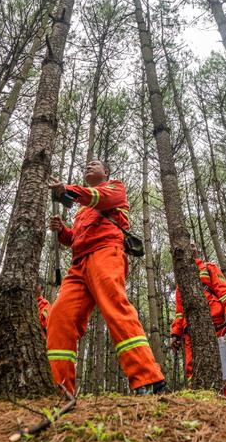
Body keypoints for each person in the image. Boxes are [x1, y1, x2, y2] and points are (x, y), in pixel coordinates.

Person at [47, 160, 166, 395]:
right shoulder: (82, 210)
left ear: (107, 172)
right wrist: (62, 231)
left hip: (106, 253)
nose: (88, 166)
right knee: (59, 317)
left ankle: (148, 380)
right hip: (78, 265)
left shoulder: (115, 188)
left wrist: (68, 190)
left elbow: (98, 198)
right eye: (86, 165)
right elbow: (75, 239)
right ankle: (59, 389)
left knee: (114, 306)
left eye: (95, 164)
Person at [170, 242, 226, 395]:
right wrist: (175, 333)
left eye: (193, 245)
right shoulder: (180, 283)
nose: (190, 247)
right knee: (193, 368)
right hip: (190, 331)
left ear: (198, 250)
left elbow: (225, 291)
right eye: (187, 245)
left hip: (218, 325)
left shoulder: (209, 267)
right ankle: (201, 402)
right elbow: (179, 312)